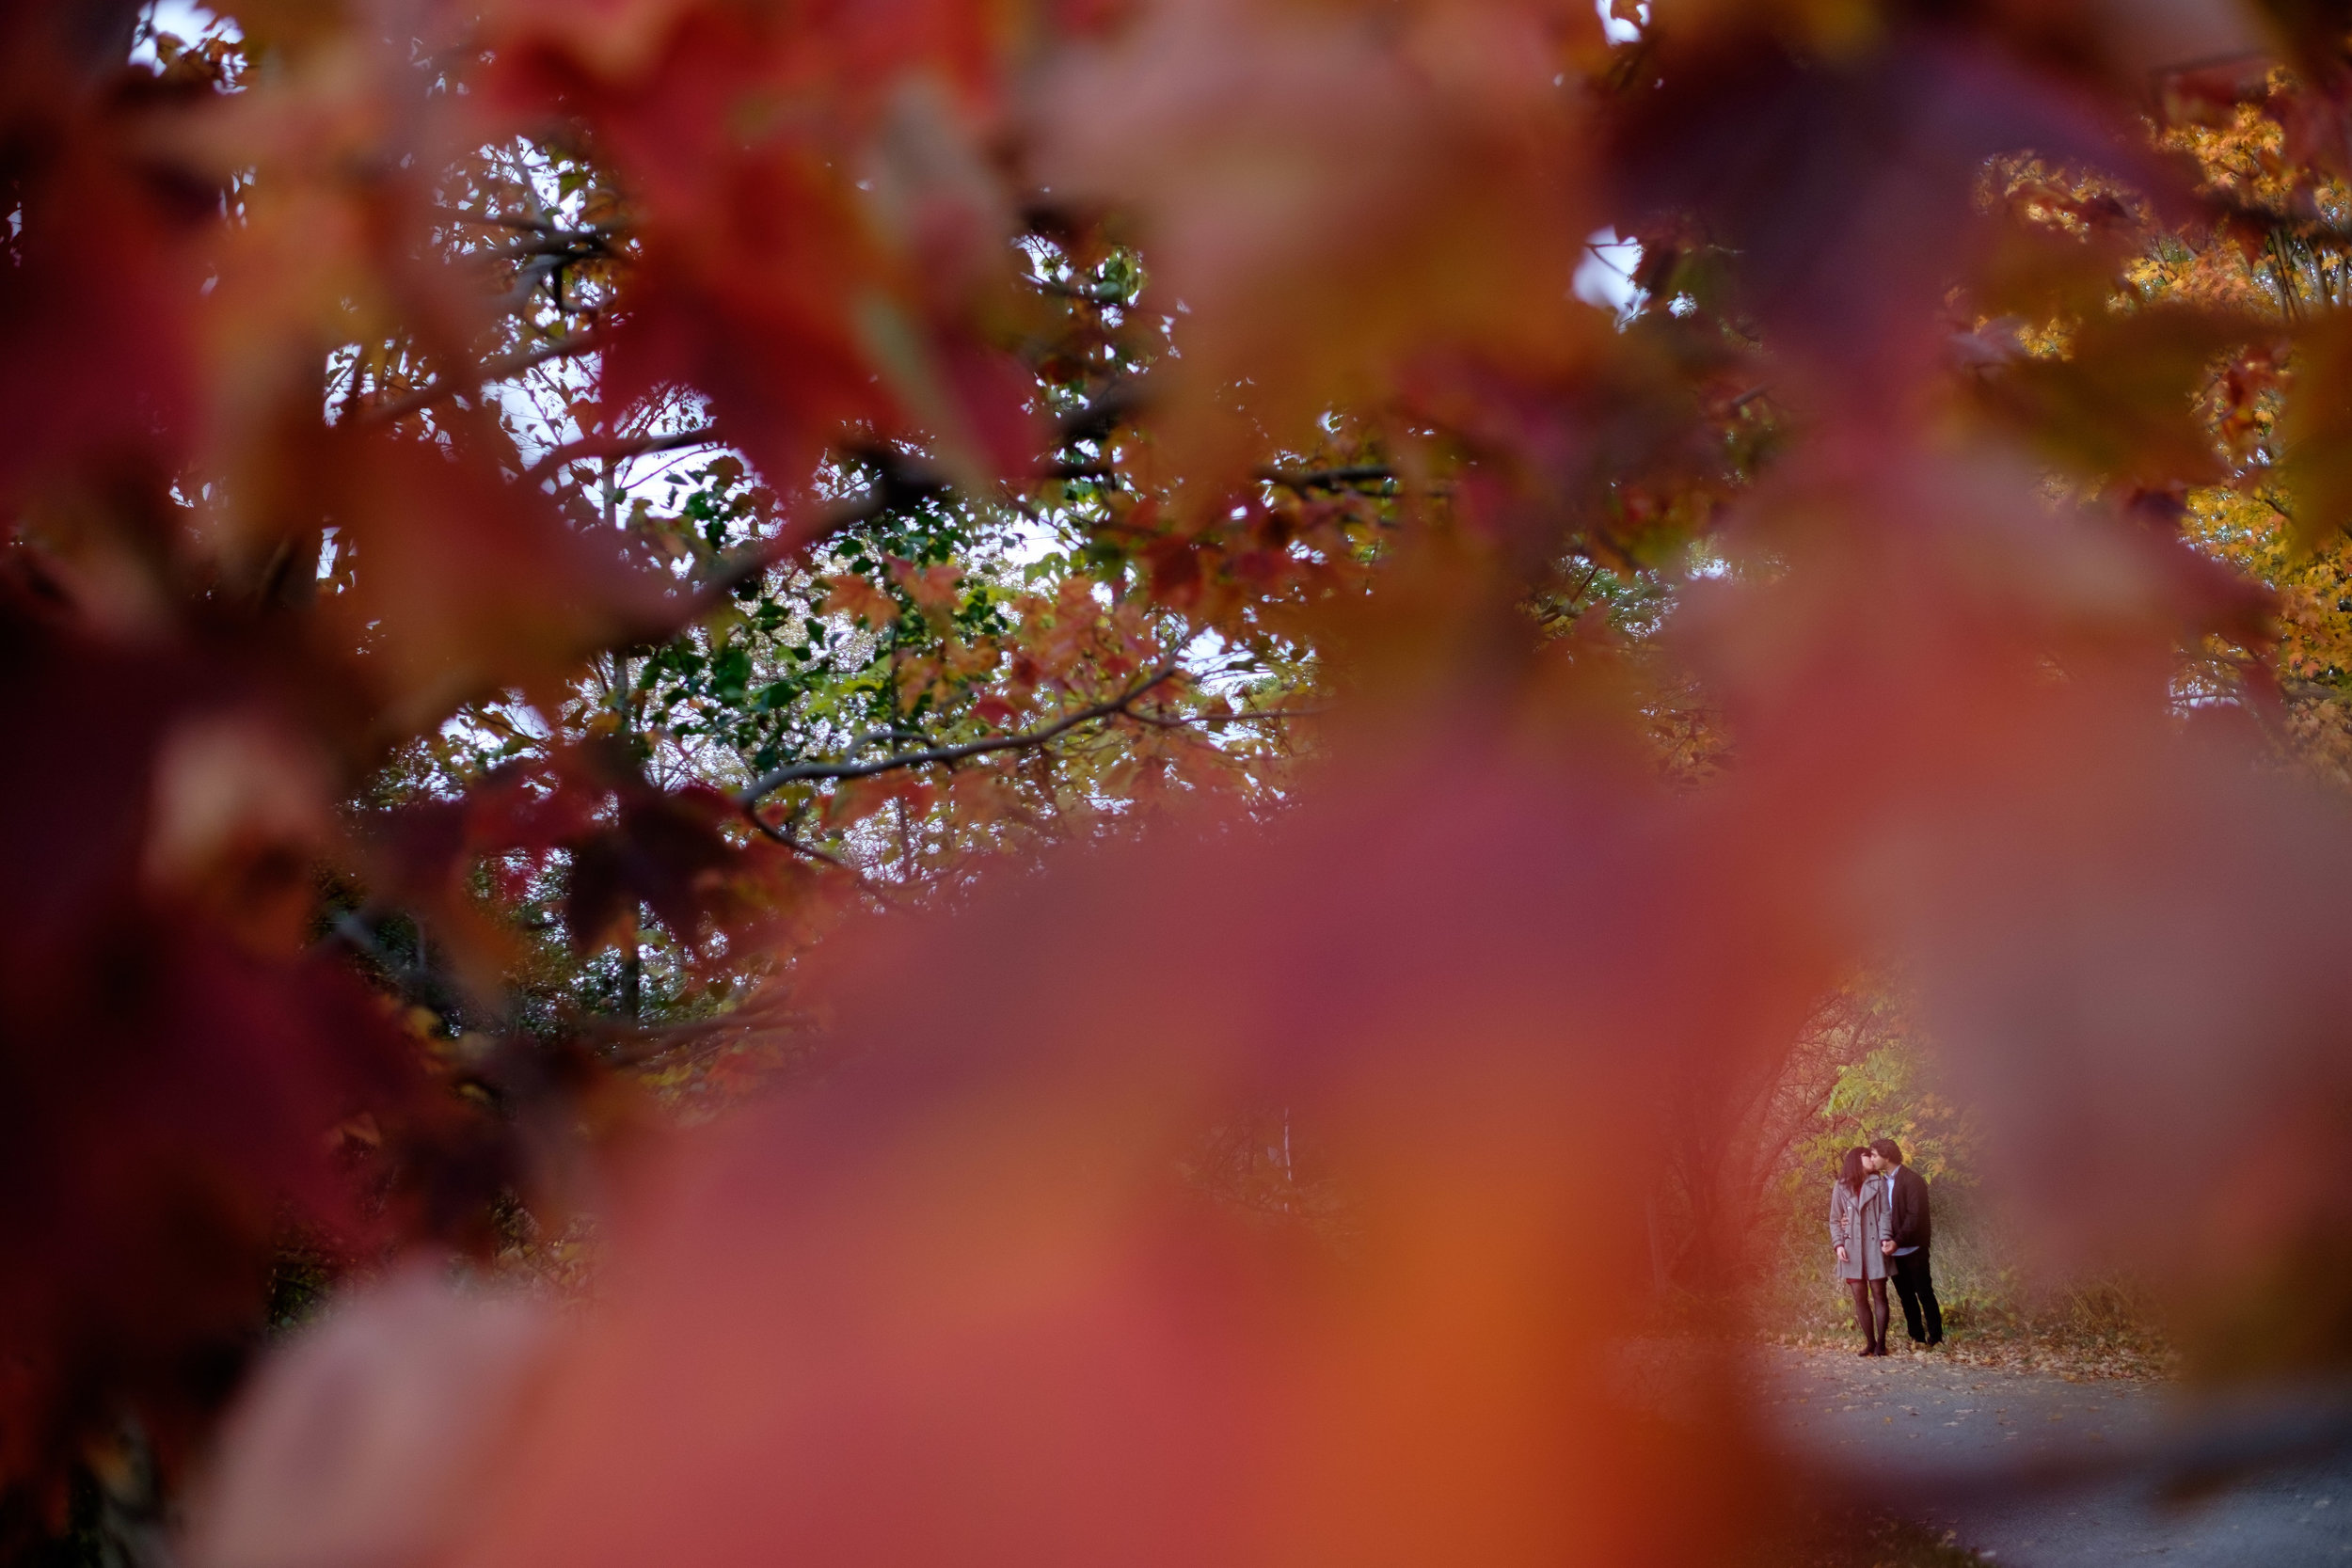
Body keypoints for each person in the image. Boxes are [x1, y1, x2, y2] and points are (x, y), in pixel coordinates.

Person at [1870, 1137, 1943, 1349]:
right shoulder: (1881, 1182)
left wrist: (1897, 1241)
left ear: (1887, 1156)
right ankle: (1917, 1337)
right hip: (1893, 1250)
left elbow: (1915, 1216)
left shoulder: (1913, 1180)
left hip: (1914, 1248)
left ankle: (1936, 1338)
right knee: (1905, 1296)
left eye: (1875, 1155)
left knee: (1924, 1292)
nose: (1872, 1159)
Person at [1829, 1146, 1890, 1356]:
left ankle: (1881, 1343)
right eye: (1868, 1156)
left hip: (1874, 1245)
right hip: (1851, 1248)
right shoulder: (1840, 1186)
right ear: (1857, 1159)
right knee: (1859, 1297)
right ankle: (1870, 1343)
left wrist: (1885, 1238)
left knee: (1879, 1294)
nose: (1872, 1159)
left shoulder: (1878, 1182)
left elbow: (1885, 1213)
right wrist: (1838, 1245)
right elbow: (1834, 1219)